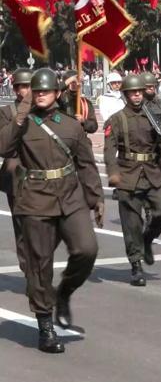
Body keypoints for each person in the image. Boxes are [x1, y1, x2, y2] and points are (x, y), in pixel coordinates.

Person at [0, 68, 104, 353]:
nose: (41, 94)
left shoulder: (70, 125)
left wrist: (96, 198)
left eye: (46, 90)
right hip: (34, 200)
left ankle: (65, 291)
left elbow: (86, 163)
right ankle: (45, 326)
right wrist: (21, 113)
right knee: (39, 265)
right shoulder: (22, 124)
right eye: (37, 90)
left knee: (86, 249)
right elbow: (3, 146)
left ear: (57, 94)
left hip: (70, 197)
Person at [104, 74, 161, 286]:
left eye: (140, 91)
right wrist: (113, 172)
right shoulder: (116, 120)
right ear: (125, 94)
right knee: (132, 224)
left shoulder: (152, 115)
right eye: (132, 92)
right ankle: (136, 265)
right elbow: (109, 151)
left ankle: (148, 238)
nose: (137, 95)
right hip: (128, 174)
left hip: (152, 172)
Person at [0, 68, 34, 274]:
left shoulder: (43, 110)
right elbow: (4, 145)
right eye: (22, 86)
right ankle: (28, 267)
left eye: (30, 86)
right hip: (17, 175)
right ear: (15, 90)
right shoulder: (6, 113)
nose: (26, 91)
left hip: (42, 174)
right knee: (22, 225)